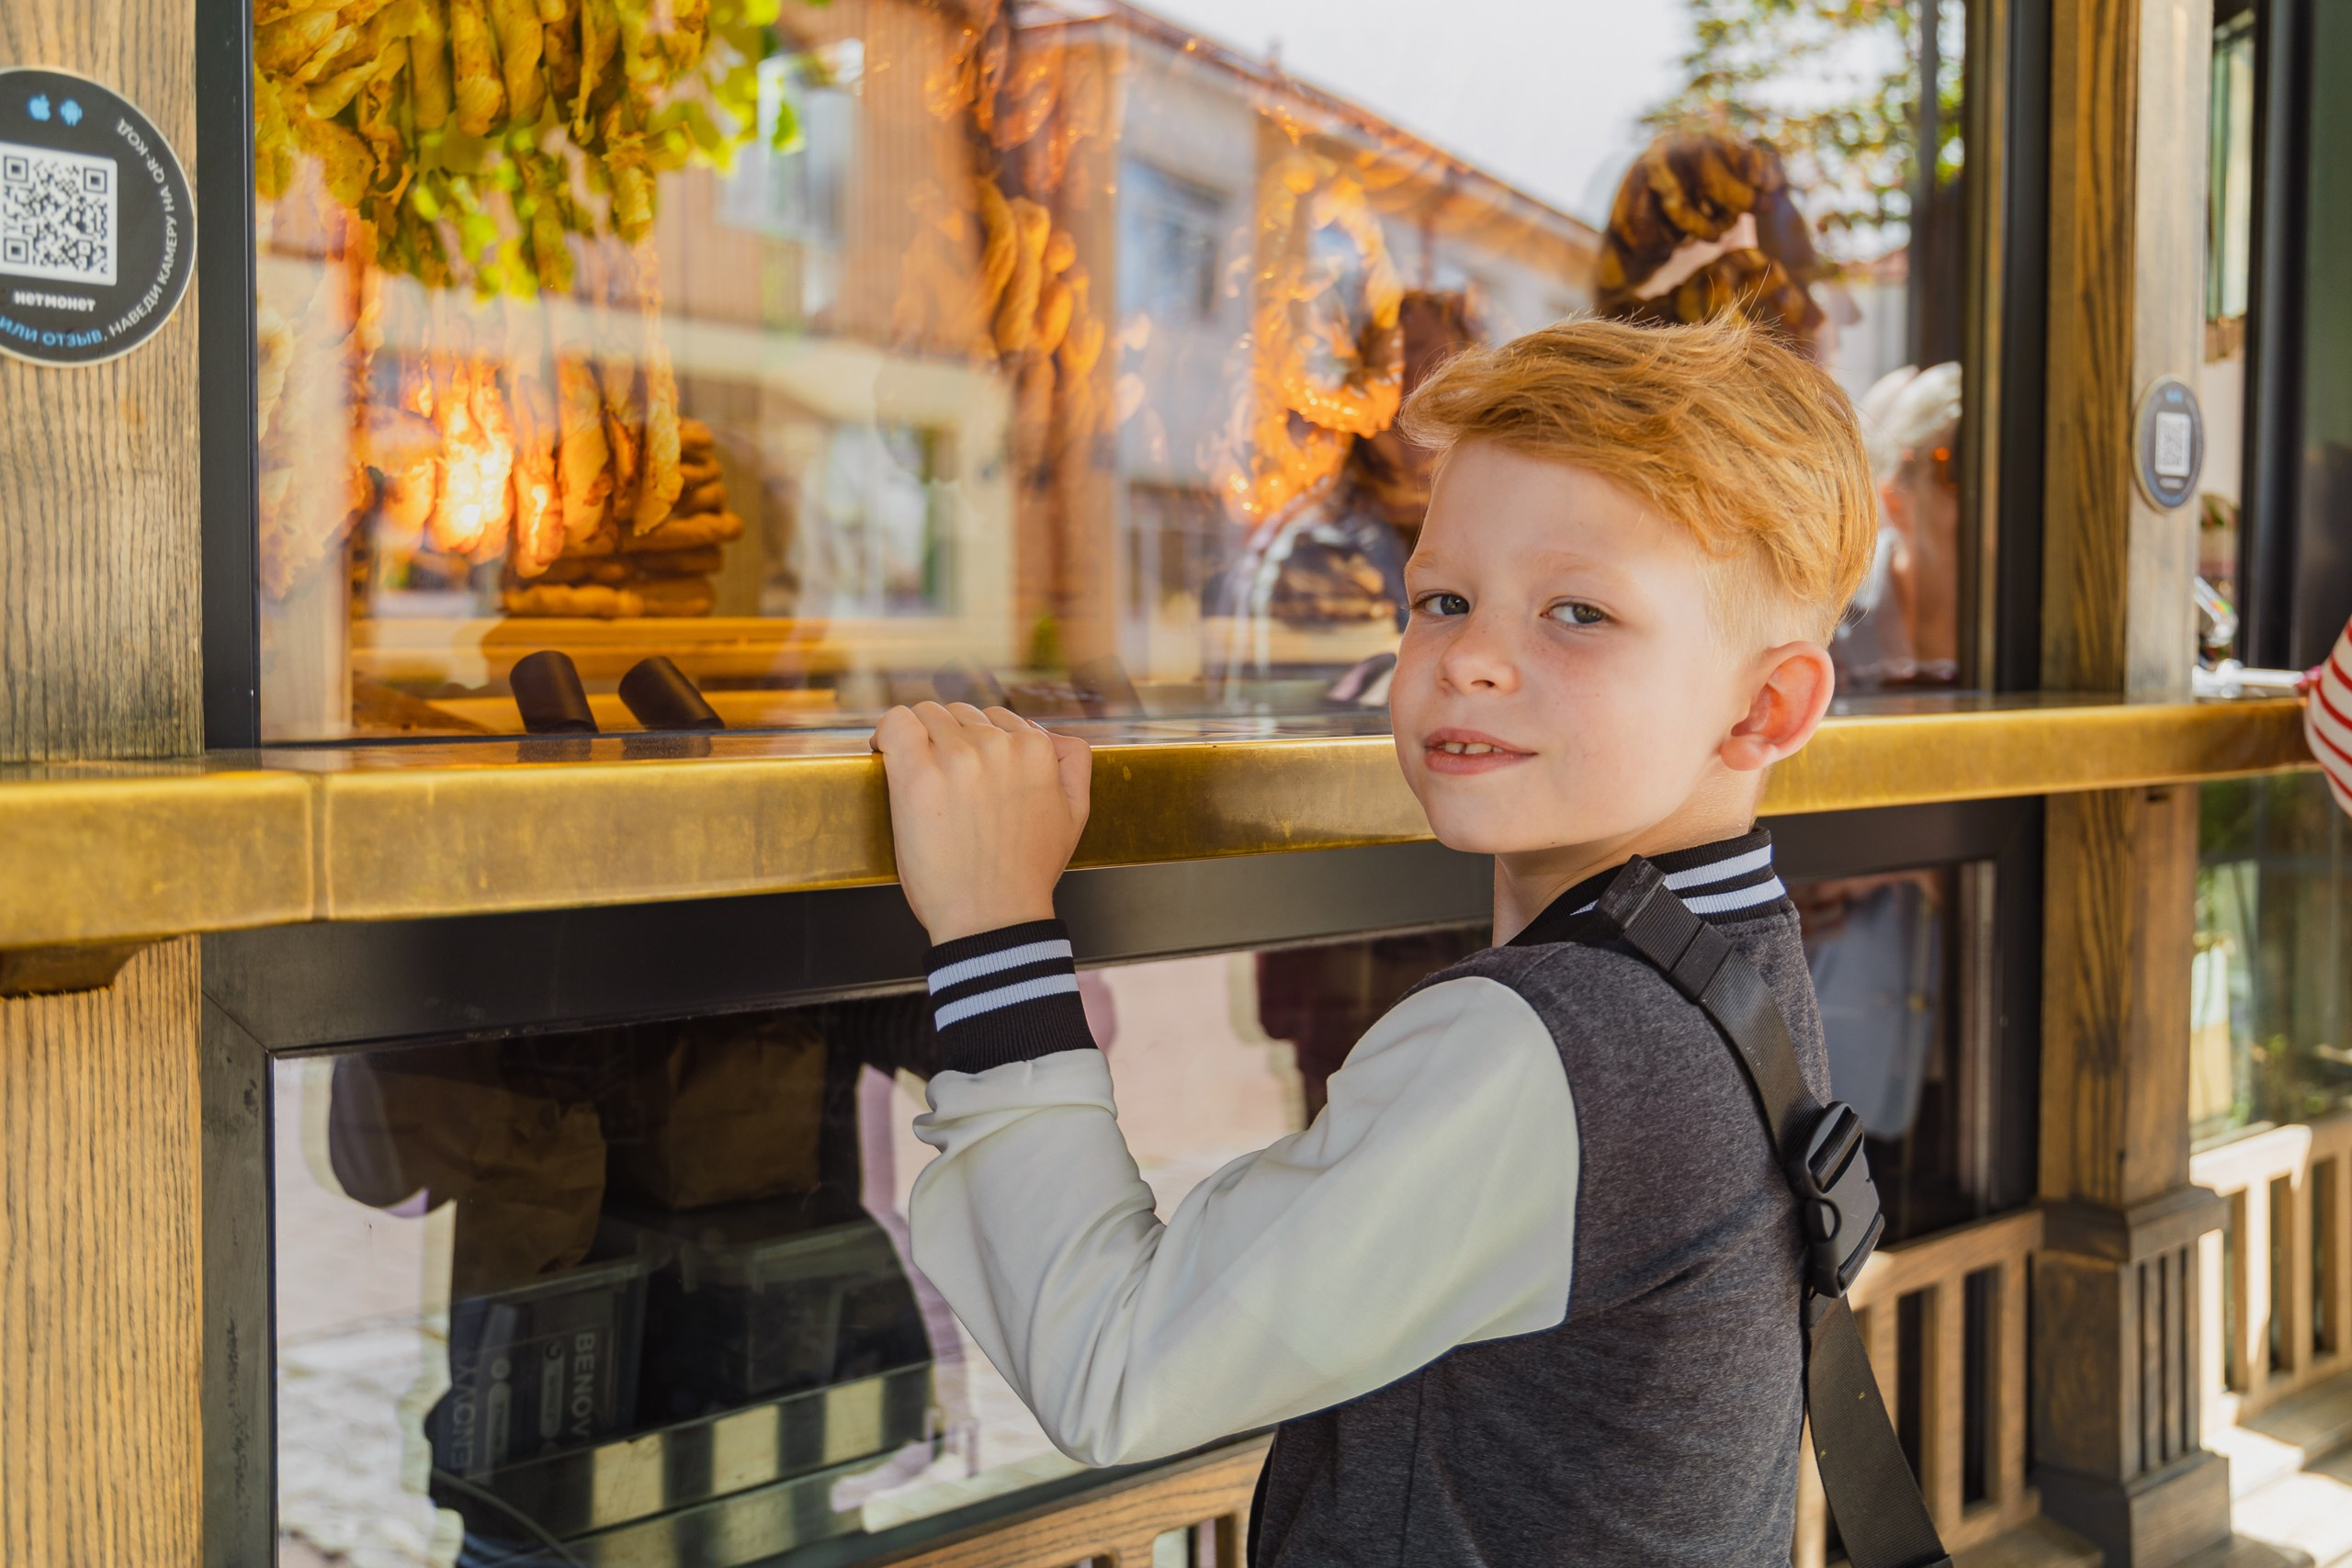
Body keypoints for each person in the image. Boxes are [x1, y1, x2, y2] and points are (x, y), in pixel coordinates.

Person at [869, 315, 1877, 1564]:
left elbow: (1112, 1366)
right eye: (1442, 599)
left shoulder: (1547, 1052)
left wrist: (992, 928)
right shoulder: (1735, 963)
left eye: (1577, 613)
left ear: (1765, 706)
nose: (1471, 661)